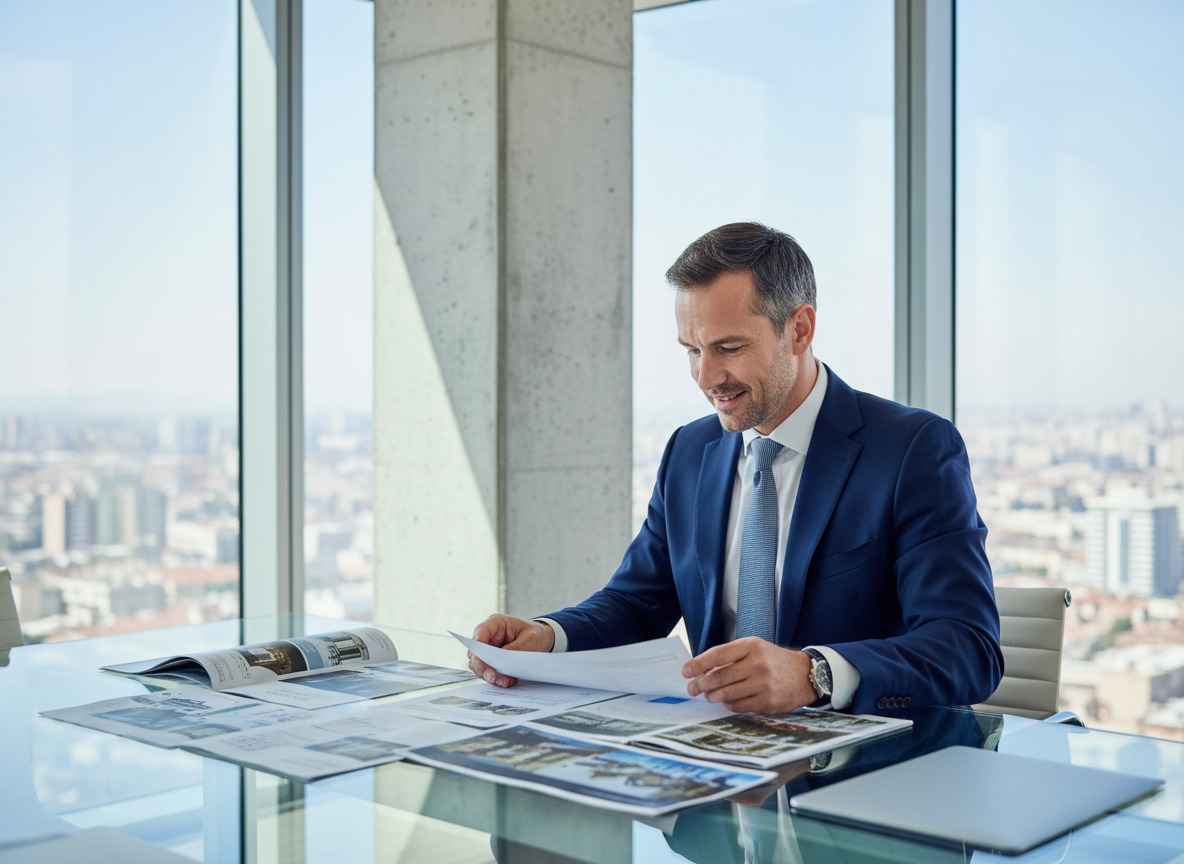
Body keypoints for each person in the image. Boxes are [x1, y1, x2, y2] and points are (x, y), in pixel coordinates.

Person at [469, 222, 1002, 716]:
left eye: (728, 347)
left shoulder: (912, 450)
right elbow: (636, 603)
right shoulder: (689, 451)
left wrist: (815, 673)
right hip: (713, 770)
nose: (706, 377)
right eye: (691, 351)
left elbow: (968, 648)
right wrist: (548, 637)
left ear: (799, 328)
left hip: (857, 775)